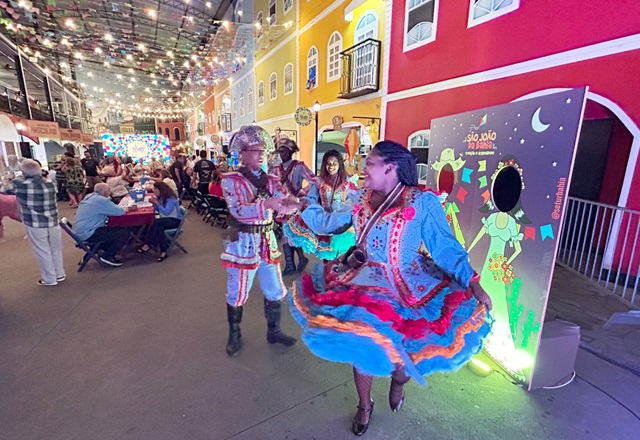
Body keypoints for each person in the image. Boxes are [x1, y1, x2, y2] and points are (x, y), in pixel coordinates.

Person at [287, 141, 493, 435]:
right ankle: (364, 405)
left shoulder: (421, 202)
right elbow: (330, 223)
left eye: (369, 163)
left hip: (409, 286)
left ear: (390, 167)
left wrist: (473, 282)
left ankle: (398, 384)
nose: (363, 169)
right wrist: (300, 207)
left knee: (403, 358)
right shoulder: (359, 197)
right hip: (364, 285)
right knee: (362, 350)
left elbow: (444, 247)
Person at [220, 125, 299, 358]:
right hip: (243, 243)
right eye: (255, 150)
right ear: (242, 153)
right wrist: (266, 204)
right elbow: (237, 211)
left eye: (263, 150)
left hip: (267, 242)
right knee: (237, 292)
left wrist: (291, 206)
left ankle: (273, 331)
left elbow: (281, 207)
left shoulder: (273, 180)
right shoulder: (230, 180)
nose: (261, 154)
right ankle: (234, 334)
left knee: (275, 290)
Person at [284, 150, 358, 261]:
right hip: (324, 221)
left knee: (342, 257)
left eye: (334, 163)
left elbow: (354, 201)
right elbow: (311, 199)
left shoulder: (348, 181)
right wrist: (306, 208)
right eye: (328, 163)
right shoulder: (319, 181)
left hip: (342, 223)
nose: (331, 166)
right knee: (327, 257)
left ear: (340, 165)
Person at [270, 138, 318, 275]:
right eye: (280, 151)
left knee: (290, 234)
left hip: (294, 207)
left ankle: (293, 264)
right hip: (280, 207)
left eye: (285, 151)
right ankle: (298, 260)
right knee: (289, 234)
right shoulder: (275, 169)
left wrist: (302, 195)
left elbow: (314, 180)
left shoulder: (299, 166)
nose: (282, 154)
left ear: (291, 152)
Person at [13, 160, 65, 286]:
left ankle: (49, 279)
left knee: (42, 251)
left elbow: (6, 187)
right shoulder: (51, 183)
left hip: (35, 223)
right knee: (56, 249)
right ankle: (59, 274)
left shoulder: (20, 184)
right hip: (52, 220)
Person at [72, 182, 131, 267]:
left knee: (110, 230)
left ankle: (93, 253)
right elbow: (120, 212)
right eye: (109, 191)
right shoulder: (101, 200)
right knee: (123, 232)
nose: (110, 193)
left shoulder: (89, 197)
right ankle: (107, 256)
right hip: (89, 233)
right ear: (105, 193)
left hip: (79, 232)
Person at [137, 181, 183, 262]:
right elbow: (159, 210)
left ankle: (148, 244)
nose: (153, 190)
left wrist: (157, 203)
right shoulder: (162, 198)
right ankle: (163, 251)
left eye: (155, 189)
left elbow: (166, 212)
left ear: (160, 190)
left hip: (175, 220)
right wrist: (155, 204)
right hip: (166, 219)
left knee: (157, 223)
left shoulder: (171, 199)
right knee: (159, 227)